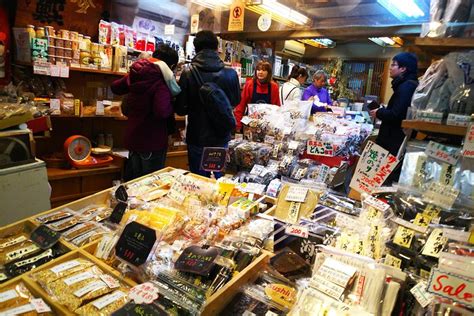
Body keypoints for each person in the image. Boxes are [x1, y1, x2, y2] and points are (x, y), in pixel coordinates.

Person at [174, 30, 240, 177]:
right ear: (217, 48)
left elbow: (180, 109)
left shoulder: (188, 72)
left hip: (197, 136)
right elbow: (236, 101)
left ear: (195, 49)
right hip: (221, 136)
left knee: (197, 181)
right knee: (217, 181)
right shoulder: (231, 74)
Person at [111, 44, 179, 181]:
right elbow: (161, 111)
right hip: (152, 140)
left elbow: (115, 87)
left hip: (133, 138)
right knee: (150, 186)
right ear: (170, 66)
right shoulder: (161, 80)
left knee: (135, 183)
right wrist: (173, 104)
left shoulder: (137, 73)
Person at [370, 52, 418, 157]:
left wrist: (379, 112)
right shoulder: (406, 85)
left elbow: (396, 115)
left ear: (403, 69)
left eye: (393, 65)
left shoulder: (407, 87)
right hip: (394, 141)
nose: (390, 68)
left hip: (393, 143)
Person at [234, 61, 281, 131]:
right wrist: (238, 125)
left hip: (267, 126)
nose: (260, 72)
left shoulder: (274, 87)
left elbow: (277, 108)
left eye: (264, 70)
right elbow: (241, 106)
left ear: (269, 73)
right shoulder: (249, 85)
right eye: (258, 70)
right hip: (250, 125)